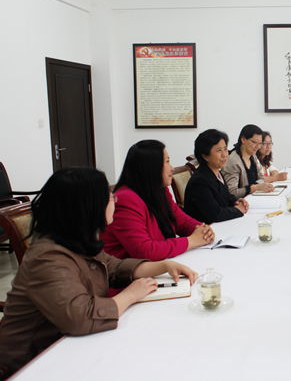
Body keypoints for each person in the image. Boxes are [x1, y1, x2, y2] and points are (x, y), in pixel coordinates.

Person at [0, 168, 197, 378]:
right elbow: (79, 317)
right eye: (109, 197)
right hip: (28, 363)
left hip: (70, 346)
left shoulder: (76, 239)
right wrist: (130, 295)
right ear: (88, 206)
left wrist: (163, 266)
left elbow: (114, 267)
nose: (115, 200)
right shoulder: (47, 257)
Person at [101, 140, 215, 260]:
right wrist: (191, 241)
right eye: (167, 161)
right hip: (130, 269)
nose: (172, 168)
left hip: (160, 263)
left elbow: (180, 221)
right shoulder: (125, 200)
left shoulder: (159, 190)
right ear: (151, 167)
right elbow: (144, 251)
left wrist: (202, 230)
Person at [184, 129, 250, 223]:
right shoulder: (200, 181)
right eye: (219, 150)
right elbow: (215, 214)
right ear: (205, 156)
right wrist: (238, 210)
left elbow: (225, 196)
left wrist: (236, 201)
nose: (224, 155)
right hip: (205, 228)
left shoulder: (216, 172)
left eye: (225, 149)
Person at [222, 124, 274, 198]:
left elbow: (261, 178)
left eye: (260, 143)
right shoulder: (233, 161)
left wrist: (259, 186)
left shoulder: (253, 156)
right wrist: (254, 188)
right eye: (254, 142)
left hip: (253, 198)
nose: (258, 147)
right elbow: (232, 192)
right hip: (240, 202)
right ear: (243, 140)